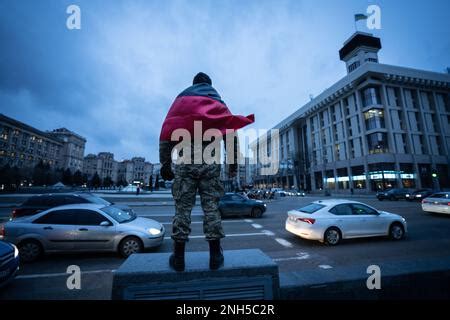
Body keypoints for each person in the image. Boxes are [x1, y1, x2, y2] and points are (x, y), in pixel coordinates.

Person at [159, 72, 254, 271]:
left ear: (193, 84)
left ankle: (178, 257)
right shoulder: (217, 103)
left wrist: (165, 165)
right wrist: (233, 166)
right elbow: (231, 137)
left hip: (185, 165)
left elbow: (167, 132)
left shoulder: (182, 102)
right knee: (211, 208)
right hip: (210, 165)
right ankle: (214, 256)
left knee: (182, 210)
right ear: (210, 84)